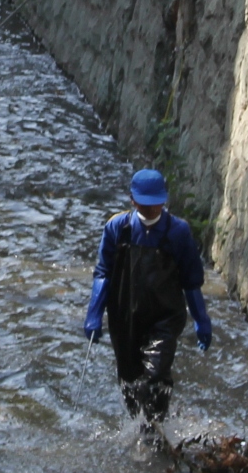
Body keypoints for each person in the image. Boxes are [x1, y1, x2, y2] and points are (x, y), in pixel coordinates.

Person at [83, 169, 212, 427]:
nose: (152, 208)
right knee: (130, 383)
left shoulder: (178, 233)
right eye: (146, 202)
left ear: (164, 200)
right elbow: (103, 273)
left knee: (155, 377)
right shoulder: (117, 228)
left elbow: (191, 282)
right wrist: (94, 314)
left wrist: (201, 319)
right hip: (124, 317)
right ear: (133, 200)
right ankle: (140, 429)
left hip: (165, 317)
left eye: (157, 202)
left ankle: (155, 431)